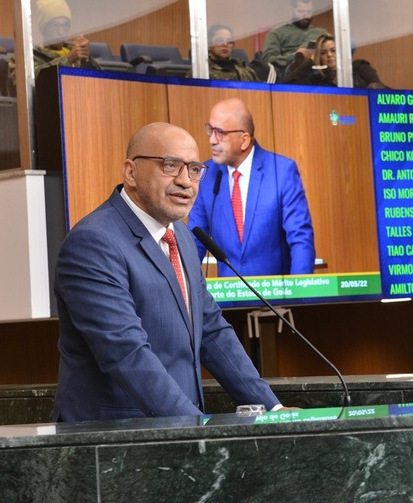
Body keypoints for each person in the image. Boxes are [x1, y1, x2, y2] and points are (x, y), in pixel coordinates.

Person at [53, 122, 282, 422]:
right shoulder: (93, 242)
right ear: (131, 172)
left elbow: (211, 330)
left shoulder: (182, 236)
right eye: (170, 166)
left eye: (194, 169)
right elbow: (126, 352)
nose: (186, 181)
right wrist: (194, 429)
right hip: (114, 438)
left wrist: (273, 409)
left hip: (179, 432)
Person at [187, 98, 315, 277]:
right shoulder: (206, 176)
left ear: (244, 140)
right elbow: (194, 242)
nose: (212, 140)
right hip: (228, 293)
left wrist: (301, 291)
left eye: (220, 132)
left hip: (276, 293)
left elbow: (301, 240)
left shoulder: (281, 172)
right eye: (210, 129)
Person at [282, 32, 388, 89]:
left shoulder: (358, 67)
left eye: (333, 50)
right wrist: (310, 61)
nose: (329, 55)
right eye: (323, 53)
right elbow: (286, 85)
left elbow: (377, 86)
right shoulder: (317, 80)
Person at [261, 0, 327, 77]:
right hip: (290, 73)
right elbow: (268, 60)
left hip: (320, 72)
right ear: (291, 10)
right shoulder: (276, 33)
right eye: (301, 11)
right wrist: (295, 56)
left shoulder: (321, 33)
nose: (306, 15)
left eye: (309, 11)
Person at [207, 24, 274, 83]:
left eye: (229, 41)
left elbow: (259, 87)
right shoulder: (205, 69)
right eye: (220, 40)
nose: (225, 44)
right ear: (209, 43)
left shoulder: (241, 66)